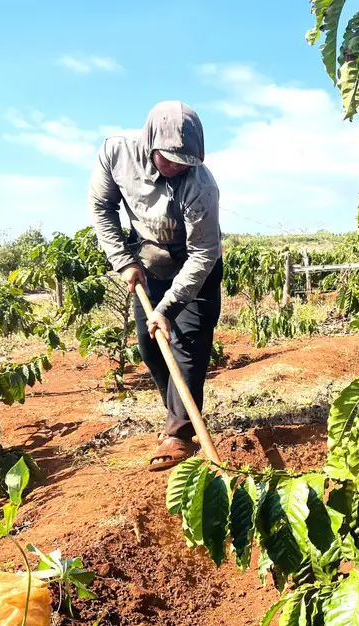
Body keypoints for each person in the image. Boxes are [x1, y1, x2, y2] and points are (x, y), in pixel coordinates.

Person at [88, 100, 222, 471]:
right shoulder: (116, 152)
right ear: (149, 143)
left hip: (197, 270)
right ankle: (180, 415)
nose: (177, 167)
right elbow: (102, 208)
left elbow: (203, 254)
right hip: (147, 265)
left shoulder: (201, 186)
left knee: (188, 348)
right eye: (169, 159)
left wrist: (167, 309)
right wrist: (123, 261)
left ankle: (179, 434)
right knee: (150, 349)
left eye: (186, 162)